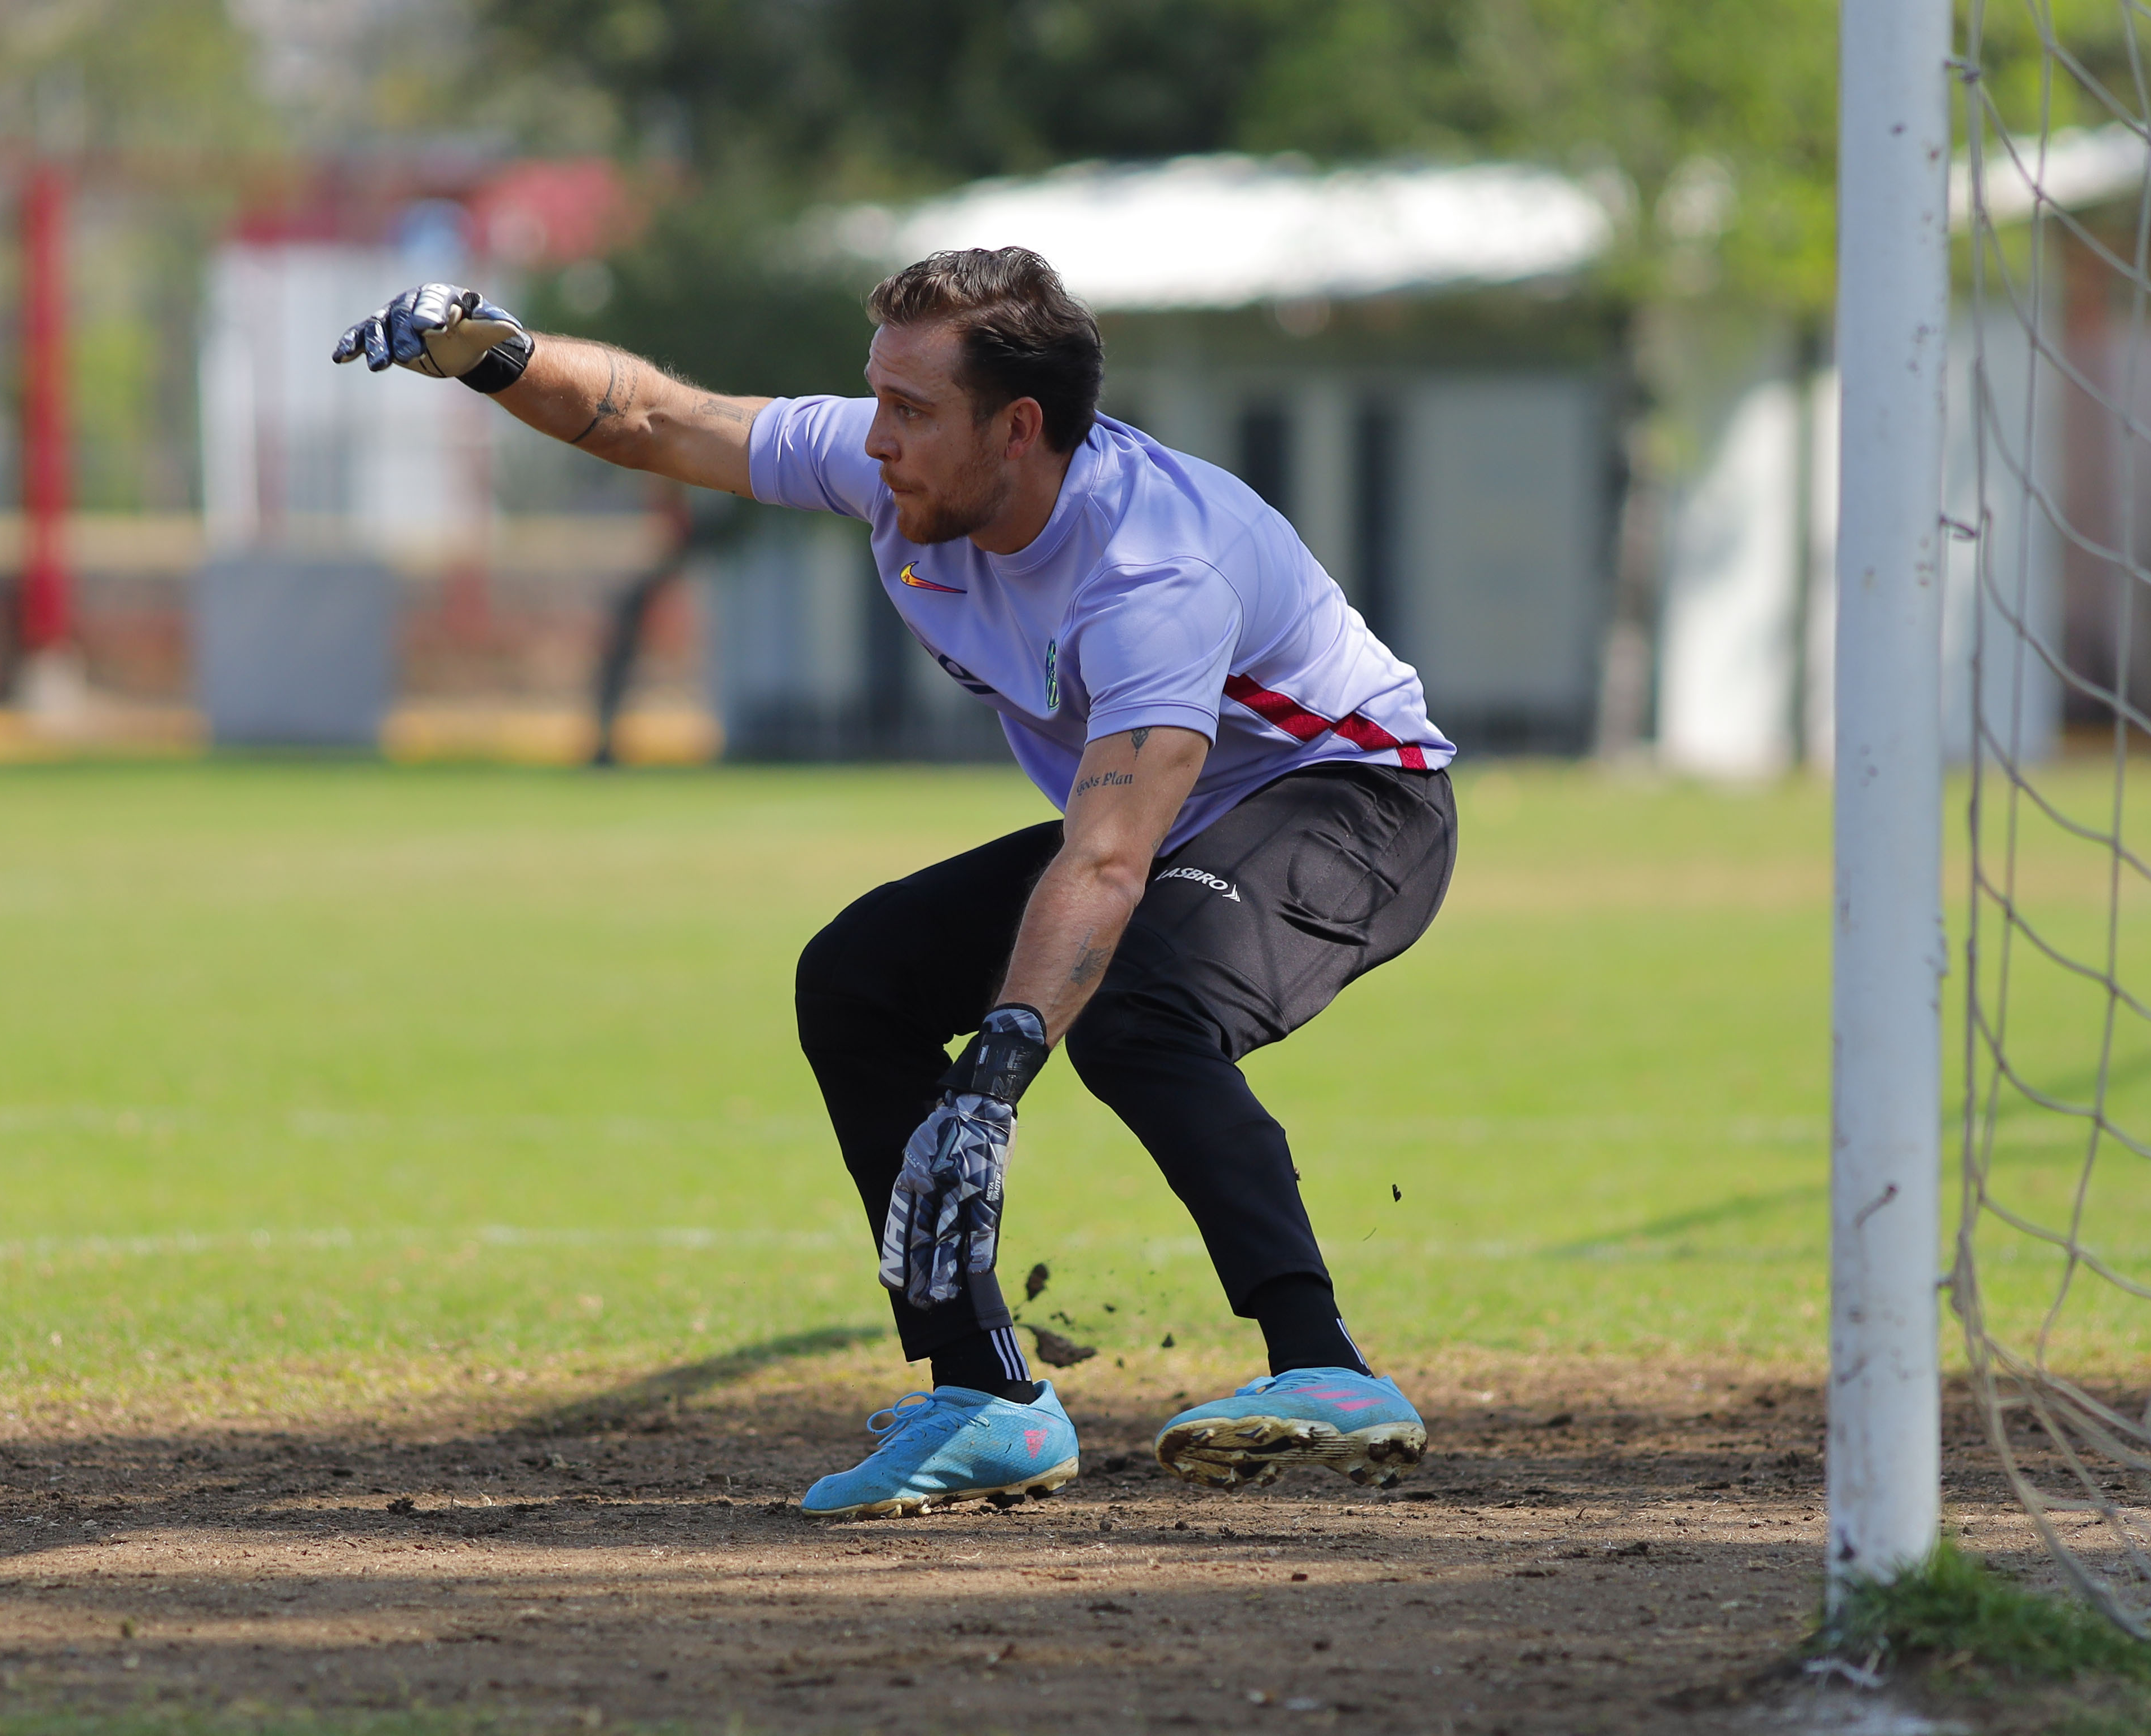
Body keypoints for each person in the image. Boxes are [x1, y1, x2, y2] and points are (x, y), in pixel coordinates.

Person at [335, 250, 1457, 1519]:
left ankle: (1327, 1367)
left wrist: (993, 1077)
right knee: (859, 976)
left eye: (911, 410)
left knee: (1138, 1009)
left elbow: (1107, 858)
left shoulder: (1155, 572)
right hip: (1176, 817)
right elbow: (656, 420)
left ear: (1016, 428)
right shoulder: (897, 465)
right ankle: (985, 1397)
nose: (875, 439)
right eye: (876, 398)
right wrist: (493, 354)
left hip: (1357, 802)